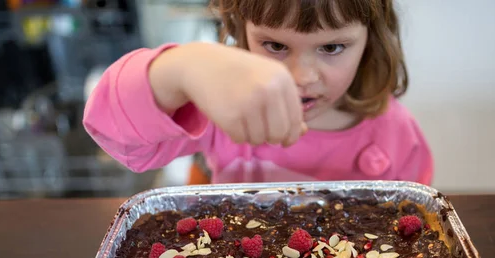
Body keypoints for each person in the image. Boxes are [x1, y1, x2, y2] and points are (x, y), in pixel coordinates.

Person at [83, 0, 433, 185]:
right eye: (276, 45)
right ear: (240, 30)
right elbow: (114, 133)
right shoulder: (220, 113)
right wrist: (181, 68)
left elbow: (410, 227)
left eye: (331, 48)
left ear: (371, 40)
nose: (302, 76)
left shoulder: (396, 132)